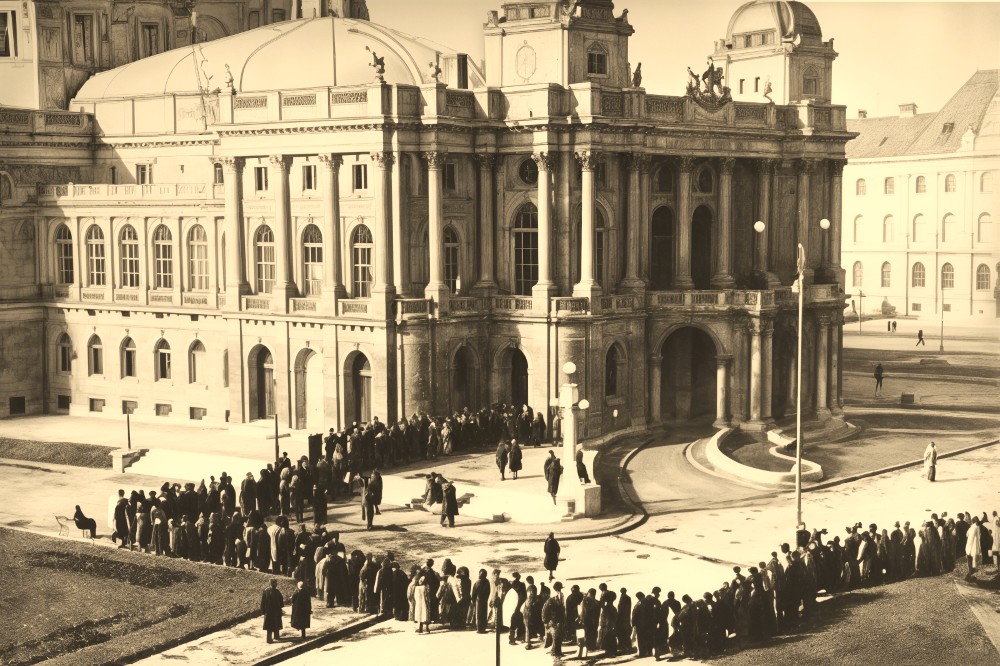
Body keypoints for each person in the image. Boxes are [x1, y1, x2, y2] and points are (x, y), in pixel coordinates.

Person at [542, 581, 565, 657]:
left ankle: (557, 652)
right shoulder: (551, 600)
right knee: (556, 637)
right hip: (554, 621)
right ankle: (556, 653)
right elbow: (544, 610)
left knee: (558, 637)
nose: (560, 590)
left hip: (559, 621)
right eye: (559, 588)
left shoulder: (560, 596)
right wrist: (545, 621)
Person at [261, 579, 284, 643]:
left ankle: (273, 637)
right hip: (272, 611)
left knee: (272, 624)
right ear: (272, 584)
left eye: (276, 583)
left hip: (272, 611)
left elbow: (263, 602)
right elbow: (263, 601)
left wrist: (263, 611)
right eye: (275, 583)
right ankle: (272, 638)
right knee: (273, 624)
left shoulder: (268, 591)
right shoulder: (272, 591)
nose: (276, 584)